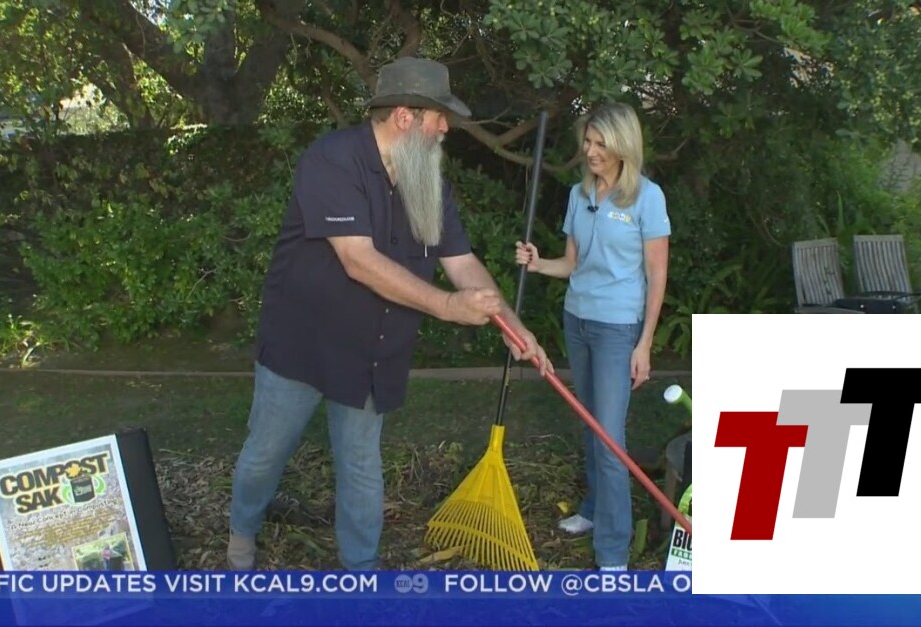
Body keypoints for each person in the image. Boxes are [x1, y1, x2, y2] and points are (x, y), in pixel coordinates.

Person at [226, 56, 554, 571]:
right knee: (266, 453)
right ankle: (241, 534)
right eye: (439, 116)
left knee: (360, 464)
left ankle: (362, 571)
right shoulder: (332, 161)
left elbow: (461, 262)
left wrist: (512, 325)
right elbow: (358, 260)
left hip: (369, 350)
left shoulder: (429, 182)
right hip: (301, 343)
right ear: (405, 116)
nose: (446, 127)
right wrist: (447, 306)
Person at [514, 102, 670, 570]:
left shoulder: (647, 197)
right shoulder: (579, 194)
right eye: (588, 141)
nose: (591, 151)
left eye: (602, 143)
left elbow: (657, 276)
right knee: (590, 422)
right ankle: (595, 507)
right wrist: (538, 263)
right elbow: (572, 263)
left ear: (623, 146)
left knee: (609, 437)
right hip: (577, 319)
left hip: (617, 327)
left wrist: (645, 343)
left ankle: (613, 550)